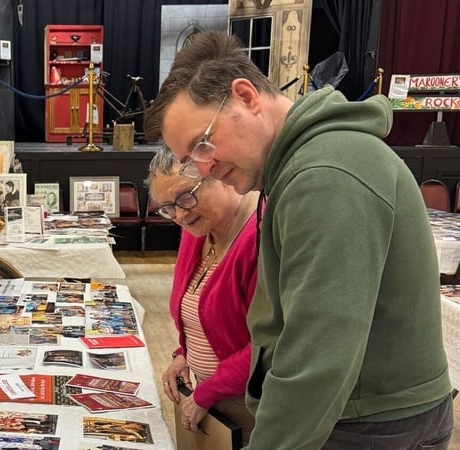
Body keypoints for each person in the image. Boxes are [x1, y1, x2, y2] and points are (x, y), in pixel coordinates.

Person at [144, 31, 453, 449]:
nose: (205, 167)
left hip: (365, 423)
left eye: (203, 144)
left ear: (246, 97)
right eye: (190, 159)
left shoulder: (324, 175)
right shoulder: (303, 167)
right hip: (359, 414)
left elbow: (317, 356)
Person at [145, 148, 259, 446]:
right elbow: (198, 314)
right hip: (214, 396)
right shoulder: (198, 230)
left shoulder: (260, 234)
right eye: (167, 207)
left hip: (251, 402)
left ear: (219, 176)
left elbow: (269, 344)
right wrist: (183, 354)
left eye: (186, 197)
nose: (180, 215)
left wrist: (209, 391)